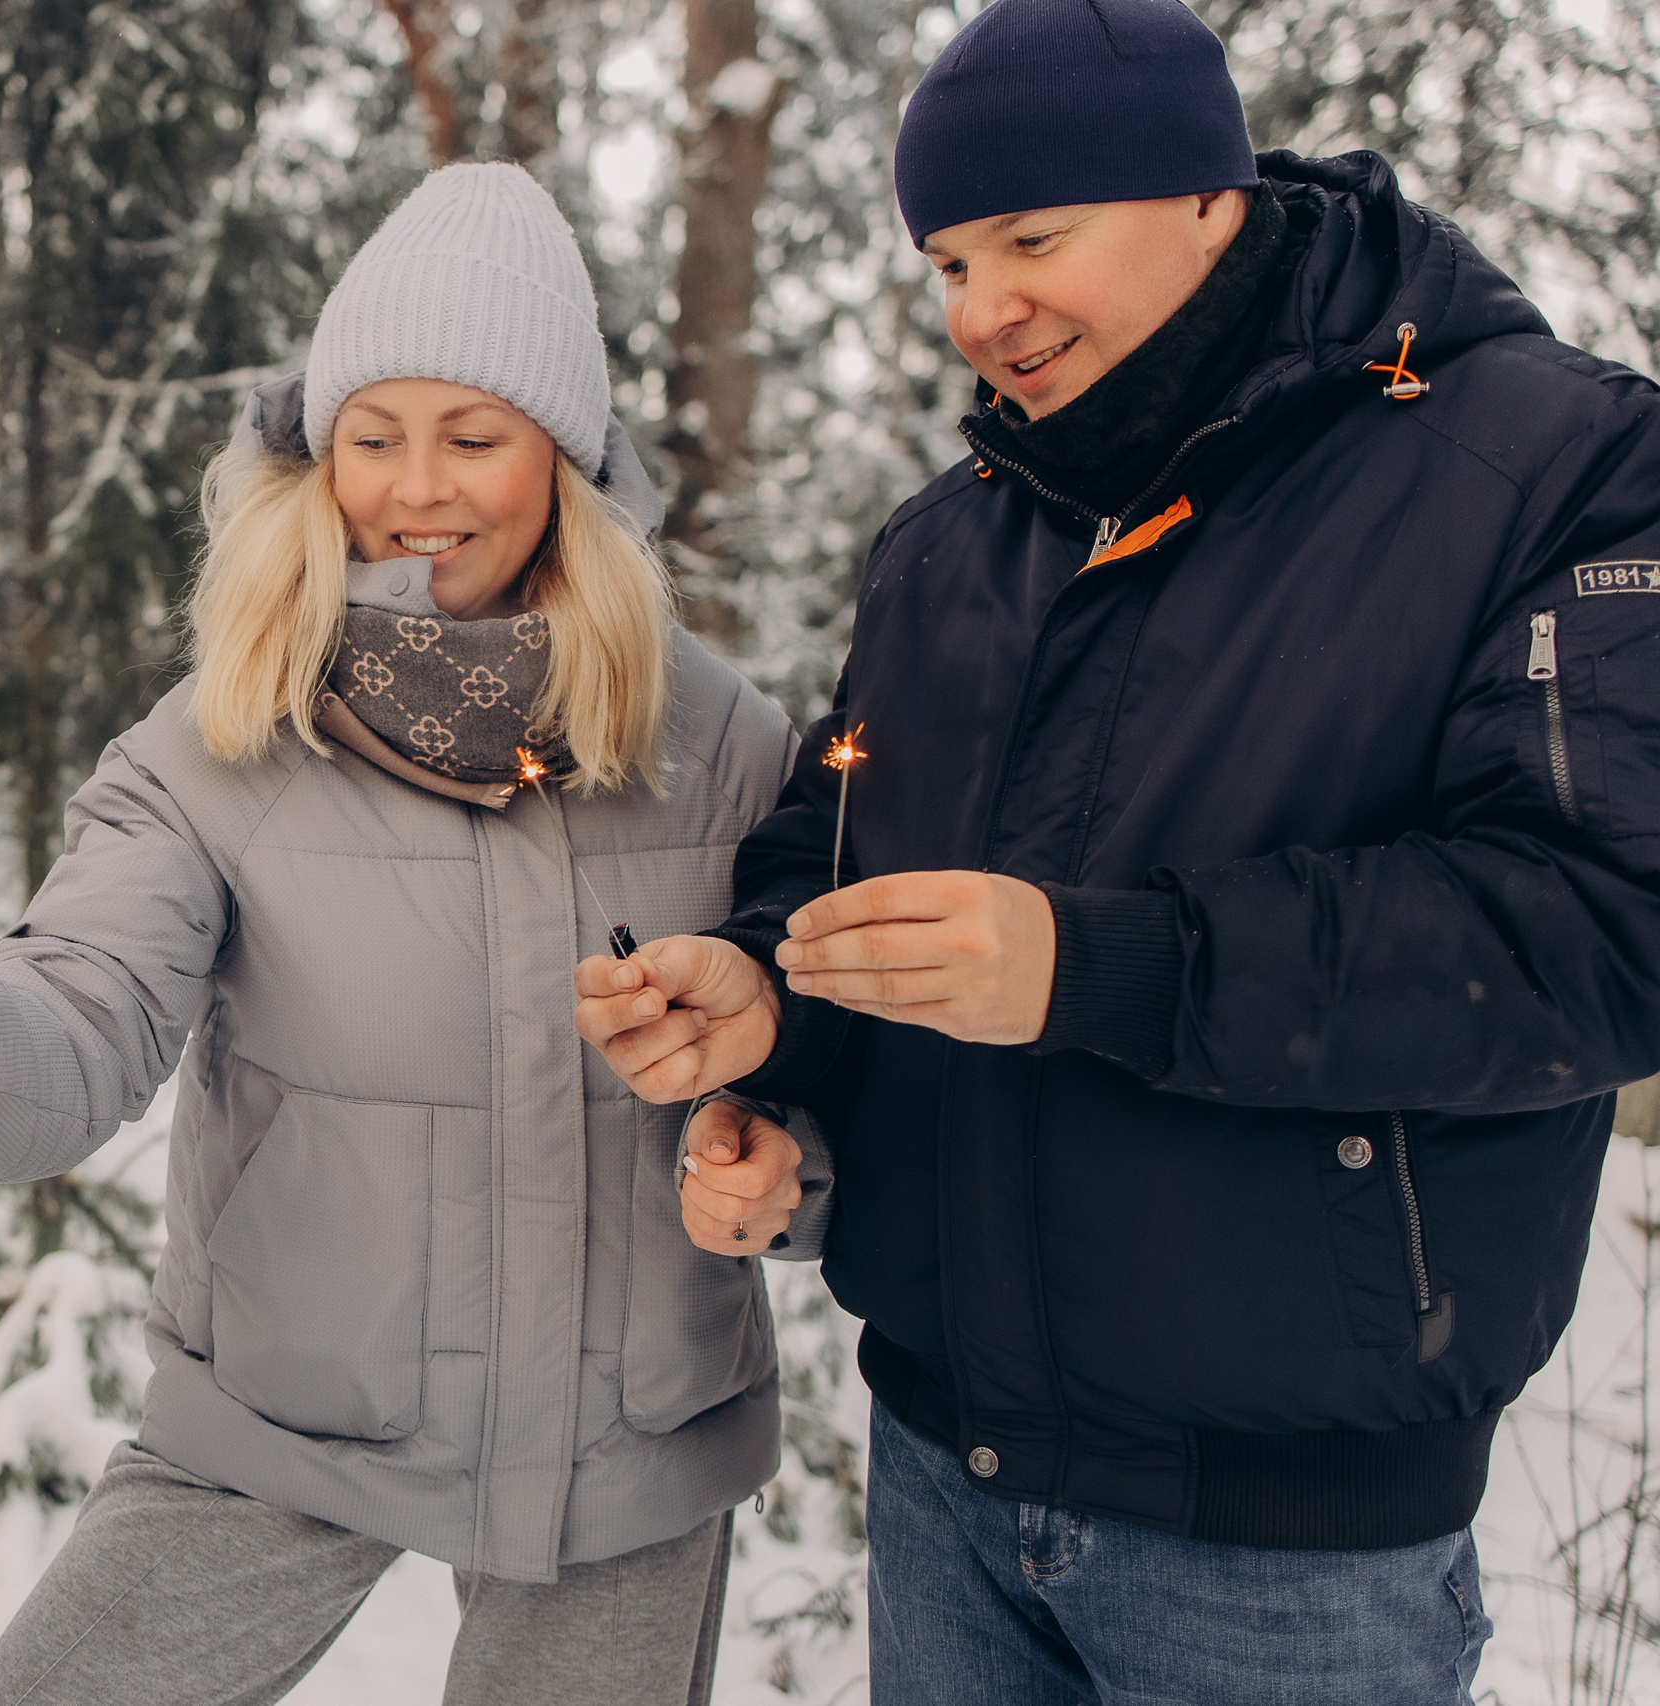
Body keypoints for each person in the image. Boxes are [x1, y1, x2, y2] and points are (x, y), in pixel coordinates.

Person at [575, 0, 1660, 1699]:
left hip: (1289, 1549)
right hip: (946, 1480)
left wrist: (1107, 962)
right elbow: (843, 836)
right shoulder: (949, 545)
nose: (979, 310)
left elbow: (1606, 930)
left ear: (1211, 194)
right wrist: (767, 999)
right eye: (943, 262)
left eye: (1031, 238)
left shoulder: (1547, 464)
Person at [0, 163, 802, 1704]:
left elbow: (812, 1041)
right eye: (373, 436)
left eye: (475, 437)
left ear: (567, 461)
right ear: (314, 453)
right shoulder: (226, 738)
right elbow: (83, 1001)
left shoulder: (720, 738)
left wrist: (784, 1160)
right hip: (286, 1415)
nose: (416, 486)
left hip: (625, 1446)